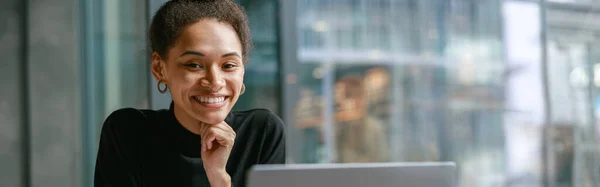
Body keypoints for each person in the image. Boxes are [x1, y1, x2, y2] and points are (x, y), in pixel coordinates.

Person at [94, 0, 286, 186]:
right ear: (159, 68)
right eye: (194, 65)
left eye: (228, 65)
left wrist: (219, 178)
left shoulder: (262, 133)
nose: (215, 82)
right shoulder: (129, 133)